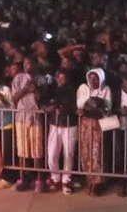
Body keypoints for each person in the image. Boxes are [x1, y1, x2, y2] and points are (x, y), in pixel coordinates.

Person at [76, 68, 111, 196]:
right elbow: (80, 105)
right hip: (85, 124)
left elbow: (107, 107)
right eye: (90, 77)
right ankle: (89, 179)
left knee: (97, 153)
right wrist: (91, 106)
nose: (93, 80)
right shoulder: (83, 88)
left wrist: (91, 106)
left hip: (98, 125)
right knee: (86, 152)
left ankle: (97, 182)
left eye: (95, 77)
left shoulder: (106, 89)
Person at [11, 59, 45, 192]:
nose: (27, 66)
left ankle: (40, 179)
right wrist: (26, 89)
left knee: (37, 150)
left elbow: (42, 98)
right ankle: (24, 178)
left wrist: (35, 89)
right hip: (21, 117)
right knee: (22, 150)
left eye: (30, 63)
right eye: (25, 64)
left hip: (35, 117)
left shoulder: (41, 79)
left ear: (35, 65)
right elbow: (14, 98)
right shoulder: (18, 78)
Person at [45, 68, 78, 195]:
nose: (60, 79)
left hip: (69, 124)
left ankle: (66, 180)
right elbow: (45, 102)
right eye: (58, 76)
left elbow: (73, 105)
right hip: (55, 124)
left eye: (62, 77)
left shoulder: (72, 90)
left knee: (68, 154)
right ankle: (55, 177)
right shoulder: (52, 89)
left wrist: (61, 104)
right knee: (52, 153)